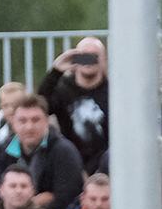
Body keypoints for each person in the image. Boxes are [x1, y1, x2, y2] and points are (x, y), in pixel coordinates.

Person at [0, 94, 82, 209]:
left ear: (47, 121)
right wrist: (33, 203)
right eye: (22, 121)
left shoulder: (64, 151)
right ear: (13, 123)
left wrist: (23, 208)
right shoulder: (5, 149)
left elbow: (65, 198)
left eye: (36, 120)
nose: (29, 127)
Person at [37, 37, 110, 174]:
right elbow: (39, 107)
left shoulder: (113, 92)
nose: (88, 60)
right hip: (68, 161)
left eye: (94, 56)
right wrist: (56, 71)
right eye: (83, 56)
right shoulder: (63, 88)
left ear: (104, 59)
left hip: (105, 165)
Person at [0, 81, 27, 163]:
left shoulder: (30, 128)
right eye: (6, 105)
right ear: (1, 107)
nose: (11, 110)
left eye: (16, 105)